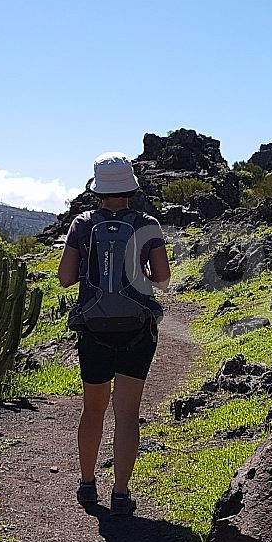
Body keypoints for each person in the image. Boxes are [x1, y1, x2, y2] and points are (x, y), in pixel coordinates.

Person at [58, 152, 171, 515]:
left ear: (98, 188)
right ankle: (121, 493)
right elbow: (164, 278)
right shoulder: (148, 223)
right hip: (137, 330)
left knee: (93, 410)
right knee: (127, 413)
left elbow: (65, 278)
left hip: (94, 329)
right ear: (131, 187)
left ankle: (87, 485)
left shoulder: (82, 224)